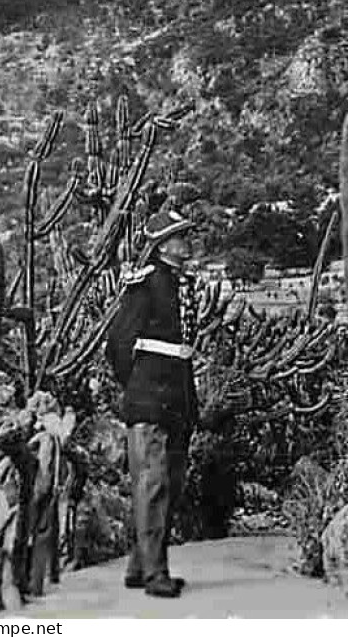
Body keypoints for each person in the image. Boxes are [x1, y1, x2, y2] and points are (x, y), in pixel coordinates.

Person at [106, 206, 199, 599]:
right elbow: (118, 343)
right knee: (153, 483)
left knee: (169, 484)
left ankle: (138, 566)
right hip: (149, 400)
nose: (187, 242)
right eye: (180, 236)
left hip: (176, 400)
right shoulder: (145, 284)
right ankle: (154, 574)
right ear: (163, 245)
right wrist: (137, 385)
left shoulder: (179, 283)